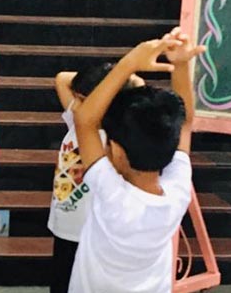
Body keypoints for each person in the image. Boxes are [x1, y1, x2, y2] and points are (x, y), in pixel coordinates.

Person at [69, 27, 204, 293]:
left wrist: (130, 63)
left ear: (117, 151)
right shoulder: (176, 191)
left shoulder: (112, 194)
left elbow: (84, 121)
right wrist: (180, 65)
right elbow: (186, 123)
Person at [47, 64, 142, 293]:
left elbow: (138, 88)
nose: (77, 105)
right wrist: (115, 76)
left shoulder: (116, 137)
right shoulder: (75, 120)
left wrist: (121, 82)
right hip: (64, 227)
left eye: (83, 100)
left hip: (93, 235)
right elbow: (61, 77)